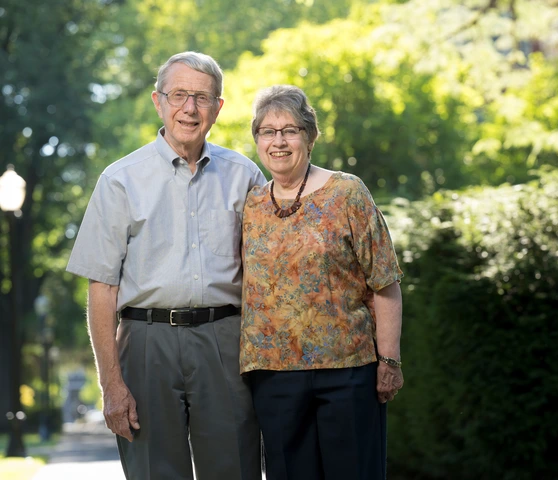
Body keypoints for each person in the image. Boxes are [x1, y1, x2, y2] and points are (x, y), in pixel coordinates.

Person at [66, 51, 266, 480]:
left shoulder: (245, 176)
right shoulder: (119, 180)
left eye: (201, 97)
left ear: (218, 107)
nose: (189, 109)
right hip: (144, 344)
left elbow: (268, 274)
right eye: (178, 95)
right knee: (155, 472)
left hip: (226, 342)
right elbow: (101, 288)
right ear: (158, 101)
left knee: (235, 466)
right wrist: (111, 385)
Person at [240, 84, 404, 480]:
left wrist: (390, 360)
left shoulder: (347, 192)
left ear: (310, 137)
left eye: (290, 130)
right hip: (274, 377)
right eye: (268, 131)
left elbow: (385, 282)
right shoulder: (251, 205)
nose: (278, 141)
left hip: (348, 373)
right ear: (258, 140)